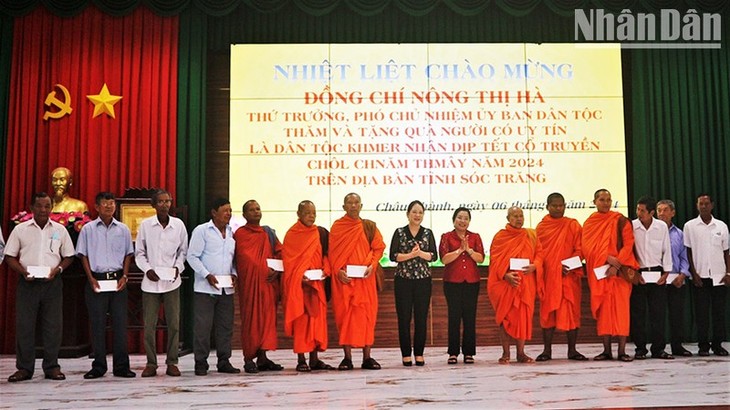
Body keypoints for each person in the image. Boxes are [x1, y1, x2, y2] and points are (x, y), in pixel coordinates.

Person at [5, 192, 75, 382]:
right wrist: (22, 271)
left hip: (52, 283)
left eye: (47, 206)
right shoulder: (21, 230)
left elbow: (69, 255)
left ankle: (52, 367)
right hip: (27, 284)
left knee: (53, 326)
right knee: (25, 326)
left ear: (51, 208)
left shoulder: (60, 230)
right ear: (31, 207)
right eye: (39, 206)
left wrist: (58, 269)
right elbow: (9, 256)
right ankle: (24, 369)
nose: (43, 210)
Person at [76, 192, 136, 379]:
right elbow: (82, 254)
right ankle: (98, 365)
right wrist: (90, 278)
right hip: (97, 281)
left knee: (120, 324)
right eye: (105, 204)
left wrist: (125, 276)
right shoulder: (88, 229)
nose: (109, 207)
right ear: (97, 206)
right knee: (97, 324)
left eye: (112, 203)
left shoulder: (123, 229)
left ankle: (121, 366)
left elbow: (128, 253)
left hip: (117, 281)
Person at [329, 192, 386, 370]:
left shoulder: (369, 227)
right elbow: (332, 254)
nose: (353, 205)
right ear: (343, 206)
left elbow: (378, 249)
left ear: (361, 206)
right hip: (345, 282)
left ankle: (367, 357)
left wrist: (373, 265)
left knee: (367, 319)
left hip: (365, 280)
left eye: (356, 202)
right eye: (349, 203)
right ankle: (347, 358)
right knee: (345, 317)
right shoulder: (338, 227)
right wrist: (337, 271)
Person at [135, 190, 188, 377]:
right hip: (151, 282)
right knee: (149, 325)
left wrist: (177, 268)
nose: (165, 205)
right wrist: (147, 269)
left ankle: (172, 362)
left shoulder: (179, 225)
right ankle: (151, 363)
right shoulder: (146, 225)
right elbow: (139, 252)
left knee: (174, 324)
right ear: (153, 204)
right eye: (161, 201)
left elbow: (183, 252)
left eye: (168, 201)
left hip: (172, 282)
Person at [581, 189, 639, 362]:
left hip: (619, 275)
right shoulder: (590, 222)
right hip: (601, 273)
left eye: (608, 199)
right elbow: (587, 248)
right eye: (602, 199)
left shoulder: (620, 220)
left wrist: (617, 263)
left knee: (621, 312)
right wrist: (606, 258)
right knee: (604, 312)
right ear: (595, 201)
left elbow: (628, 244)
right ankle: (606, 350)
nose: (605, 203)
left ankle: (622, 351)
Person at [187, 197, 241, 375]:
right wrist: (207, 275)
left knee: (225, 327)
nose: (229, 214)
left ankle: (224, 361)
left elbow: (232, 259)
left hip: (226, 288)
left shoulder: (232, 232)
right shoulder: (202, 231)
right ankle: (200, 363)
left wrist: (234, 273)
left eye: (230, 210)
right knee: (203, 327)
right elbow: (192, 257)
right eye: (225, 210)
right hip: (205, 288)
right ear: (213, 212)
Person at [282, 200, 334, 372]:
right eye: (307, 213)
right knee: (302, 323)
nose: (311, 216)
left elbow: (324, 255)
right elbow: (289, 262)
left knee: (316, 322)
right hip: (301, 288)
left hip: (317, 285)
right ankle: (301, 359)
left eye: (313, 213)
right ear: (299, 214)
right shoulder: (292, 234)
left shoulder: (318, 233)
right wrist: (300, 276)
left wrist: (326, 268)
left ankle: (314, 358)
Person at [535, 192, 587, 361]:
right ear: (547, 207)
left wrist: (570, 265)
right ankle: (546, 351)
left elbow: (581, 249)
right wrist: (552, 268)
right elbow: (538, 253)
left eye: (561, 205)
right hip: (549, 277)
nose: (558, 208)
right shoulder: (541, 228)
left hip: (568, 277)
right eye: (555, 205)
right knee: (547, 313)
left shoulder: (572, 225)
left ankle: (572, 350)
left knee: (571, 312)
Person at [234, 200, 283, 374]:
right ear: (244, 215)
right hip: (250, 286)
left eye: (258, 209)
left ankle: (263, 357)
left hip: (268, 285)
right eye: (251, 210)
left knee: (268, 321)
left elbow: (280, 253)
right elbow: (240, 259)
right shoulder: (239, 234)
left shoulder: (268, 233)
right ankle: (249, 358)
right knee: (251, 322)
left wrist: (276, 272)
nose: (256, 212)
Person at [488, 206, 541, 364]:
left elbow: (540, 253)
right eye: (515, 216)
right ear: (508, 218)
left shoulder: (531, 235)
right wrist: (505, 275)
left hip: (525, 283)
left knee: (523, 318)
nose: (519, 219)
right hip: (507, 284)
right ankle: (506, 353)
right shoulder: (501, 236)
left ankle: (521, 353)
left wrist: (535, 266)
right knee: (505, 319)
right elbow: (495, 260)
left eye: (521, 215)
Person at [389, 200, 436, 367]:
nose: (417, 215)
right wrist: (411, 255)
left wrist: (420, 253)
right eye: (414, 212)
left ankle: (419, 353)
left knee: (421, 318)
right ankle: (406, 354)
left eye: (420, 212)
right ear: (408, 214)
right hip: (403, 281)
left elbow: (433, 256)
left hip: (423, 281)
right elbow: (393, 256)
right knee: (404, 318)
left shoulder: (428, 233)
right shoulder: (400, 232)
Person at [683, 193, 730, 356]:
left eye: (706, 203)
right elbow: (688, 251)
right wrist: (693, 273)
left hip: (719, 277)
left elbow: (727, 252)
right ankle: (703, 345)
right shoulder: (689, 226)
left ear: (712, 205)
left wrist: (728, 273)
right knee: (701, 313)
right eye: (700, 204)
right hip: (699, 277)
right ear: (697, 206)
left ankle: (718, 344)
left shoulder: (721, 226)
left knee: (719, 313)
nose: (703, 206)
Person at [439, 207, 484, 365]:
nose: (462, 221)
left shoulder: (475, 237)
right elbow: (444, 259)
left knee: (470, 318)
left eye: (466, 218)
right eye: (459, 217)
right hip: (452, 283)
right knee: (454, 317)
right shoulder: (446, 237)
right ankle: (453, 352)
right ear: (454, 220)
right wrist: (460, 250)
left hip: (472, 282)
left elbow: (481, 258)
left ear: (469, 221)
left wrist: (469, 250)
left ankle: (469, 353)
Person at [630, 196, 674, 360]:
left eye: (642, 210)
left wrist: (666, 273)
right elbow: (629, 250)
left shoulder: (661, 226)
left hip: (657, 274)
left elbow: (666, 250)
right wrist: (634, 274)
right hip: (638, 274)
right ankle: (640, 348)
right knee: (638, 314)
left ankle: (658, 349)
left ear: (651, 212)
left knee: (658, 314)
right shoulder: (632, 226)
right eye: (637, 210)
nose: (639, 213)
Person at [656, 199, 693, 357]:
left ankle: (677, 346)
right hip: (658, 280)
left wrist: (683, 274)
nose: (662, 213)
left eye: (665, 210)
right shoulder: (653, 232)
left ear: (673, 213)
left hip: (676, 280)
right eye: (659, 210)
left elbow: (684, 257)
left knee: (676, 315)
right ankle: (659, 348)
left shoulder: (679, 234)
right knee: (658, 316)